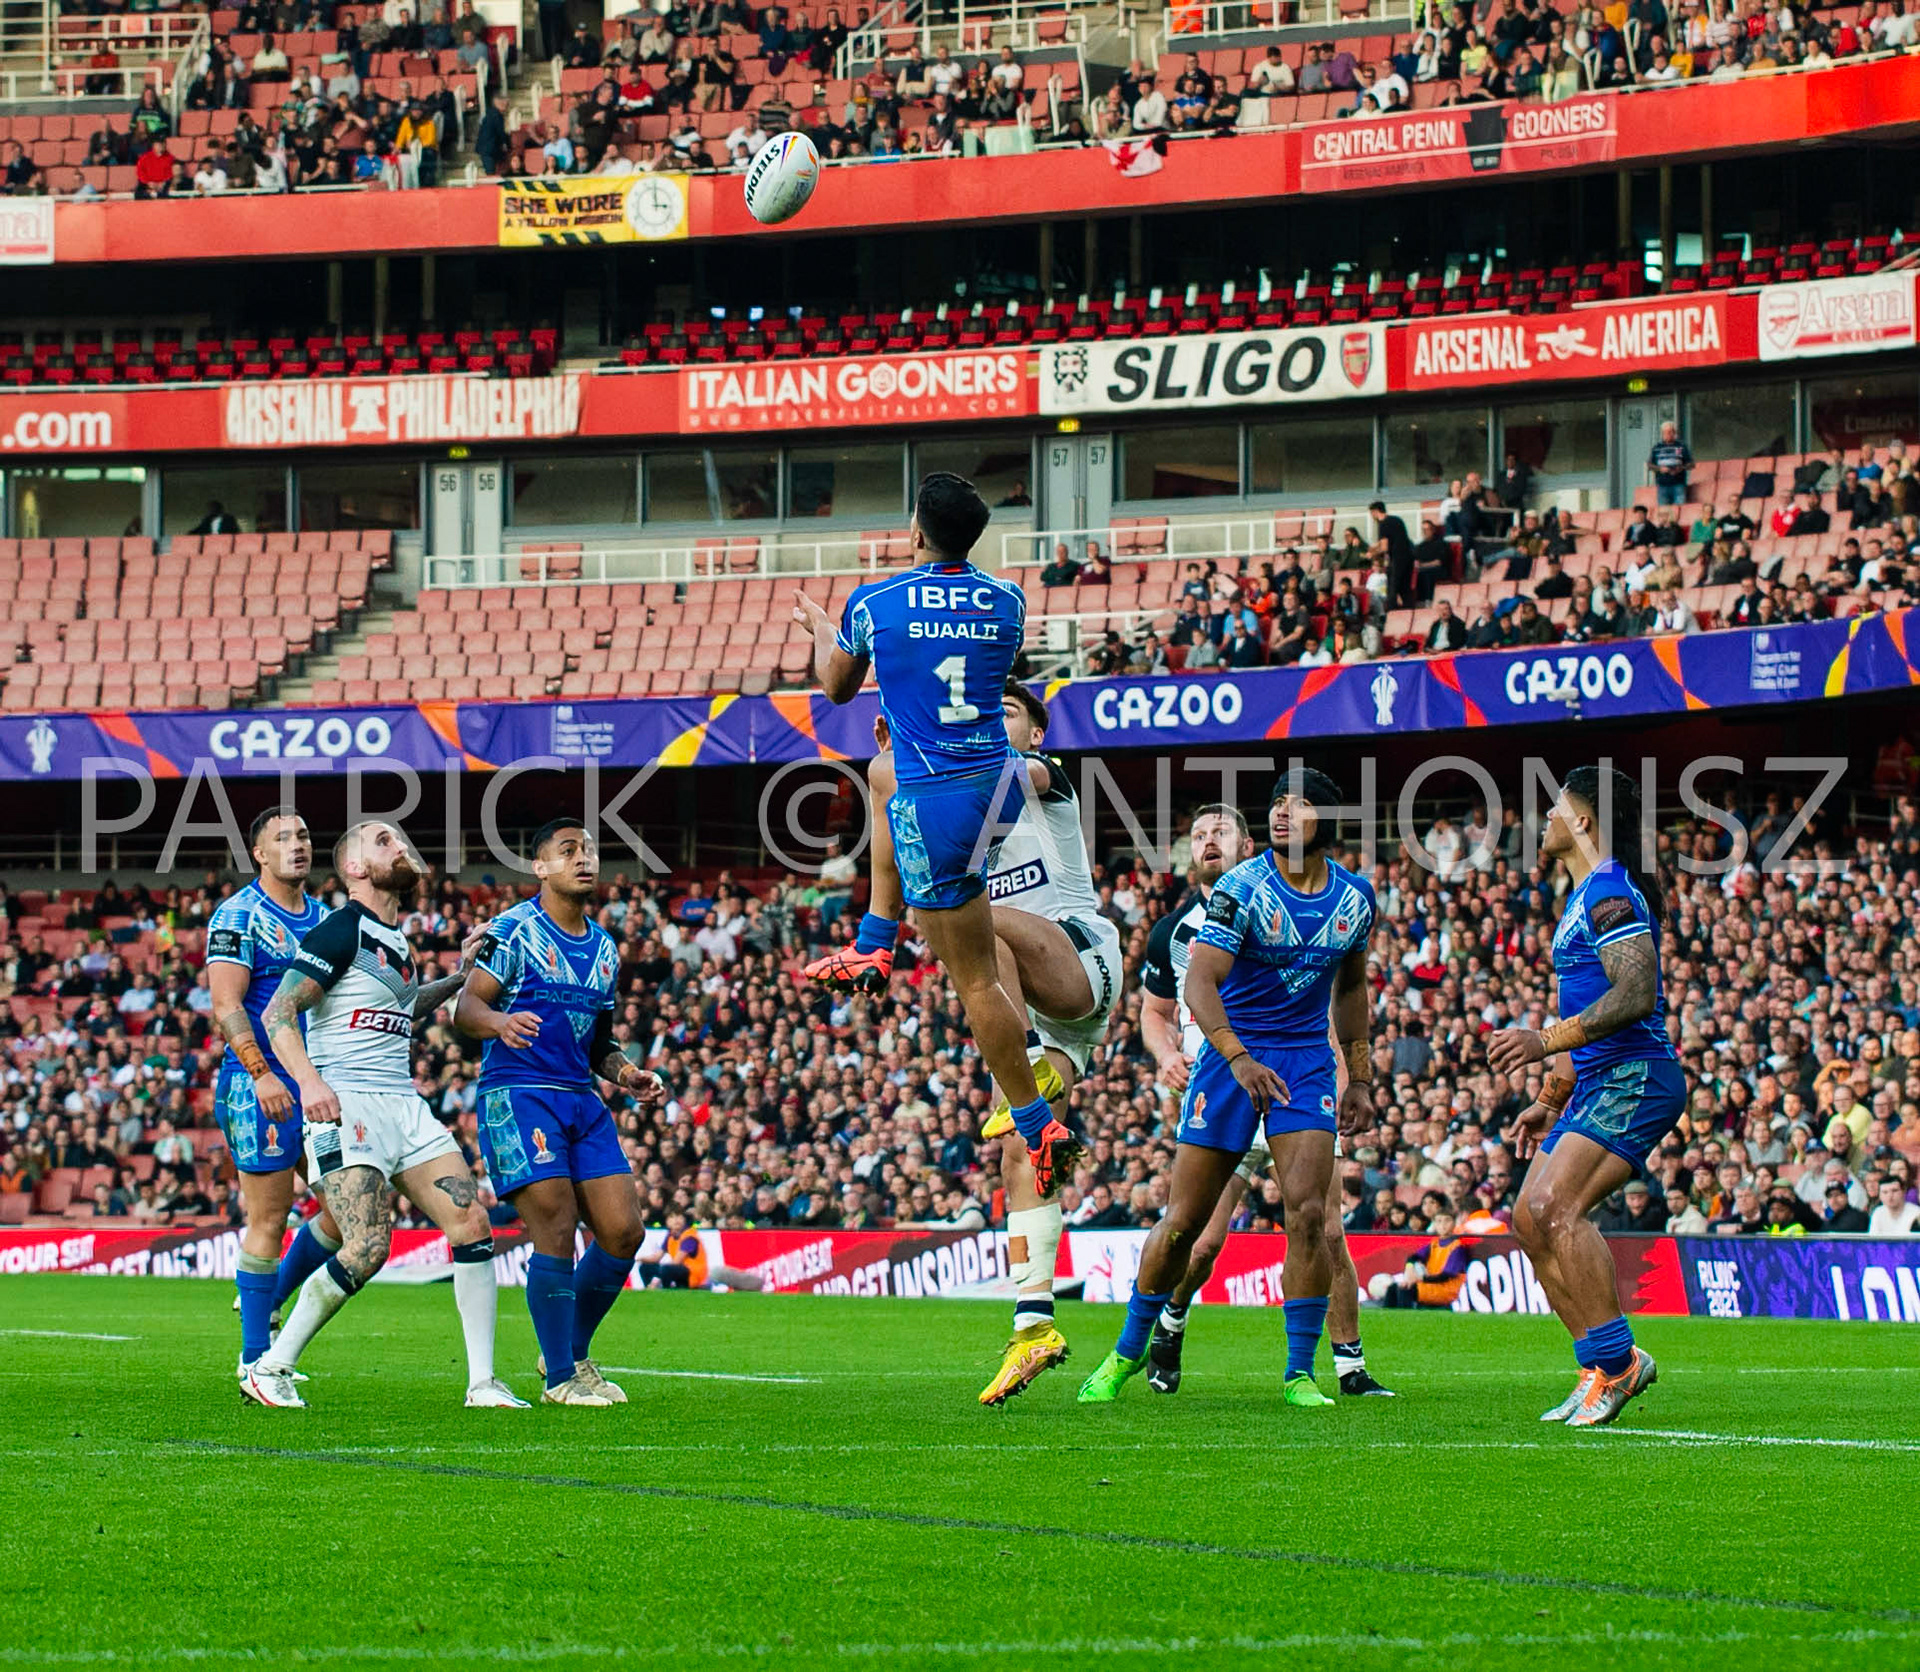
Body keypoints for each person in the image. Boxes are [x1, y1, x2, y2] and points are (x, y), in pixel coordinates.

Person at [790, 475, 1078, 1196]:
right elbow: (974, 670)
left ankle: (1037, 1121)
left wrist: (825, 630)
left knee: (973, 974)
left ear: (916, 532)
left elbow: (836, 686)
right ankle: (874, 944)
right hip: (998, 785)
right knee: (879, 771)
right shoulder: (1008, 600)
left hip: (940, 802)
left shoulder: (875, 602)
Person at [1079, 768, 1375, 1407]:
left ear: (1328, 819)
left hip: (1303, 1064)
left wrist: (1362, 1077)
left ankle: (1301, 1374)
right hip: (1229, 1059)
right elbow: (1197, 985)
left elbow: (1351, 990)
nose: (1280, 813)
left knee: (1312, 1215)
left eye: (1296, 804)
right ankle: (1125, 1353)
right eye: (1275, 804)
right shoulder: (1240, 888)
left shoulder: (1355, 899)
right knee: (1186, 1224)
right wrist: (1237, 1057)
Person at [243, 821, 523, 1411]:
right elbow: (278, 1012)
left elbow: (401, 1010)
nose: (400, 847)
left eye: (400, 839)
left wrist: (458, 977)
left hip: (403, 1103)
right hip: (346, 1101)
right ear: (354, 869)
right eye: (383, 841)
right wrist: (310, 1082)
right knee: (367, 1246)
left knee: (472, 1225)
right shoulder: (340, 929)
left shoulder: (397, 940)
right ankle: (270, 1367)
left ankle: (482, 1383)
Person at [1490, 767, 1684, 1428]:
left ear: (1584, 820)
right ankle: (1596, 1366)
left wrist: (1542, 1040)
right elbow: (1585, 1003)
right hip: (1596, 1079)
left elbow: (1635, 996)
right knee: (1526, 1217)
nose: (1544, 819)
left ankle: (1621, 1361)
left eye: (1555, 808)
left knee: (1556, 1207)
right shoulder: (1580, 896)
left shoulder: (1609, 894)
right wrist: (1551, 1094)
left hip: (1637, 1075)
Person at [456, 821, 667, 1406]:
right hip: (520, 1091)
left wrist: (627, 1074)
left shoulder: (603, 947)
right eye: (569, 851)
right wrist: (500, 1022)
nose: (585, 860)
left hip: (581, 1096)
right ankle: (561, 1381)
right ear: (540, 867)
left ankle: (565, 1351)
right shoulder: (515, 930)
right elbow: (466, 1008)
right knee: (554, 1225)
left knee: (624, 1231)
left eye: (591, 851)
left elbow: (600, 1039)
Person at [206, 807, 337, 1382]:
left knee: (348, 1212)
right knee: (270, 1215)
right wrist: (260, 1073)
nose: (298, 845)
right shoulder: (238, 916)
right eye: (282, 838)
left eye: (304, 835)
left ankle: (270, 1295)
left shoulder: (330, 918)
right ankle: (255, 1358)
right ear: (259, 854)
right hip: (259, 1084)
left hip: (318, 1084)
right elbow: (228, 1004)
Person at [1647, 420, 1692, 507]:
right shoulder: (1657, 447)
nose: (1668, 434)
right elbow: (1650, 465)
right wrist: (1660, 469)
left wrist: (1681, 468)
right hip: (1662, 485)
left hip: (1679, 484)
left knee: (1680, 509)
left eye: (1671, 432)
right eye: (1666, 432)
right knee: (1664, 512)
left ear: (1674, 433)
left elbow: (1691, 464)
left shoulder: (1681, 446)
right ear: (1662, 434)